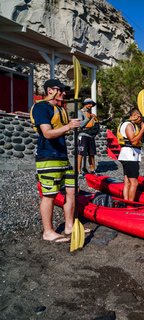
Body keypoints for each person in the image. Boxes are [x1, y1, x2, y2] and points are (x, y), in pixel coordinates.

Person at [30, 79, 82, 243]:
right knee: (50, 194)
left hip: (63, 156)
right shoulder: (41, 107)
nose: (64, 93)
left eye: (64, 90)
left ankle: (69, 226)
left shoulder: (60, 109)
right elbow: (47, 133)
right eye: (60, 90)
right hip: (47, 156)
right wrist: (68, 126)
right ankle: (48, 232)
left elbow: (61, 129)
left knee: (72, 191)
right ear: (49, 90)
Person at [117, 108, 144, 201]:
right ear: (134, 115)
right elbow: (133, 142)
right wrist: (143, 130)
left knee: (127, 181)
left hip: (127, 155)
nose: (140, 120)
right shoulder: (129, 125)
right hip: (129, 156)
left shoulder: (130, 124)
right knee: (134, 182)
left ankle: (126, 202)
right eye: (139, 118)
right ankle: (130, 205)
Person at [78, 98, 100, 174]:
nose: (91, 105)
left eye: (92, 104)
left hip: (91, 135)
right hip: (83, 135)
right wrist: (88, 118)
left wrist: (95, 119)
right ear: (85, 104)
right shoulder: (80, 112)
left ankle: (92, 170)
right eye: (89, 103)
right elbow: (80, 125)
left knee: (92, 154)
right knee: (80, 153)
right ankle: (78, 171)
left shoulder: (91, 114)